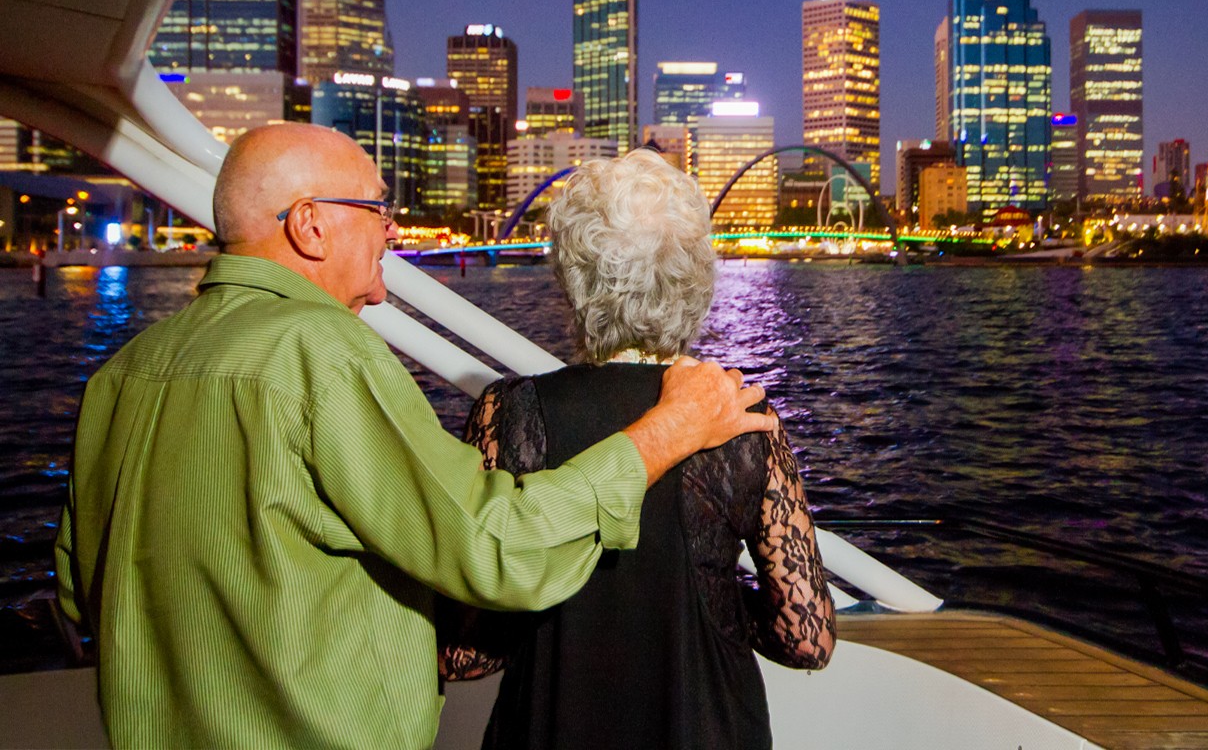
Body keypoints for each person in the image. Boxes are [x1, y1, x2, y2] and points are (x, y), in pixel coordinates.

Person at [53, 123, 773, 749]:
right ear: (310, 224)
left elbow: (81, 597)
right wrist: (664, 432)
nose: (394, 231)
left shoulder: (122, 376)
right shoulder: (323, 354)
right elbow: (495, 545)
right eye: (376, 208)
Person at [440, 148, 835, 749]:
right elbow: (807, 639)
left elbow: (464, 655)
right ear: (695, 276)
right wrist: (722, 594)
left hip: (549, 726)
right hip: (706, 727)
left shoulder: (509, 412)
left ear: (572, 278)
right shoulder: (740, 415)